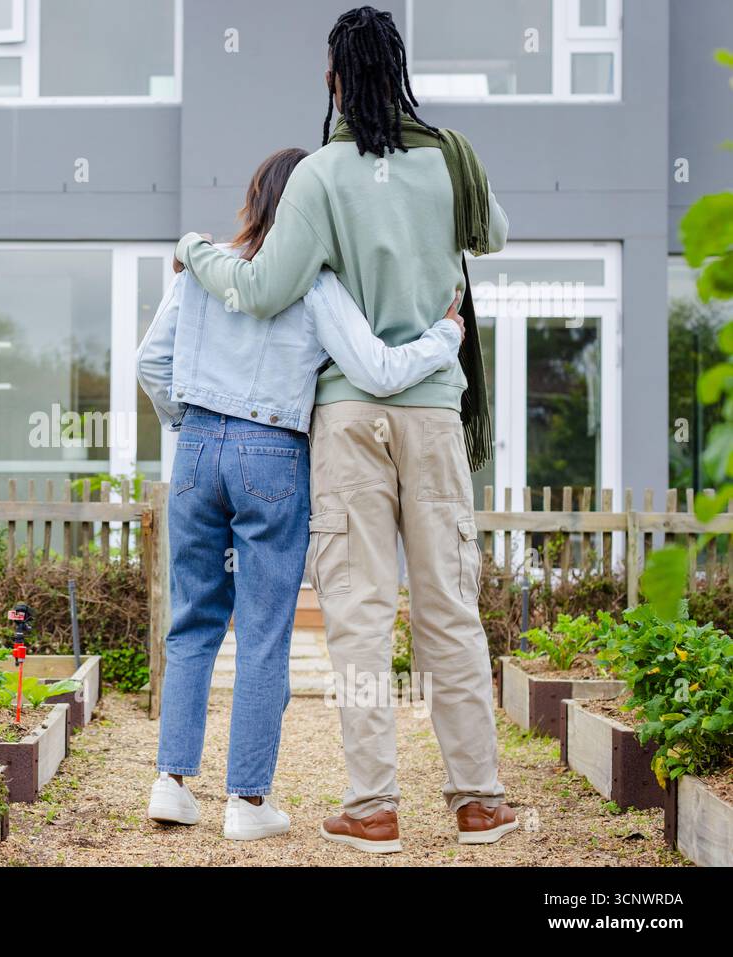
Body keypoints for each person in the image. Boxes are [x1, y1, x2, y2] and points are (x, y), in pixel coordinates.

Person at [172, 5, 517, 853]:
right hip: (434, 407)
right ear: (400, 72)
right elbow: (495, 236)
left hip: (349, 416)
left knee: (359, 611)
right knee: (449, 605)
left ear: (333, 78)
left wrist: (195, 250)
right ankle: (477, 801)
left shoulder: (320, 175)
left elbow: (261, 289)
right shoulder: (453, 158)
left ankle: (374, 807)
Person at [138, 145, 464, 842]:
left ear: (253, 199)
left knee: (191, 620)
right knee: (262, 632)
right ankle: (246, 803)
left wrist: (190, 421)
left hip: (196, 446)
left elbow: (149, 361)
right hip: (273, 454)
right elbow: (376, 369)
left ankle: (171, 782)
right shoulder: (316, 285)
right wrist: (445, 335)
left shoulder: (200, 270)